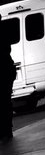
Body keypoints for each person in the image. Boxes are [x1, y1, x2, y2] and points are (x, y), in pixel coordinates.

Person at [0, 14, 17, 143]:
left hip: (4, 70)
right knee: (5, 101)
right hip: (7, 70)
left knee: (3, 102)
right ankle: (7, 130)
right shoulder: (4, 29)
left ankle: (4, 131)